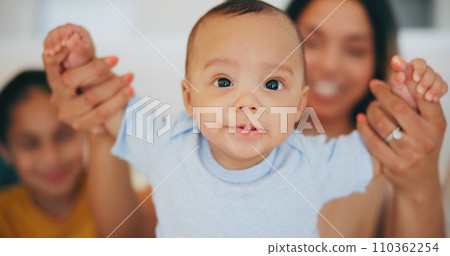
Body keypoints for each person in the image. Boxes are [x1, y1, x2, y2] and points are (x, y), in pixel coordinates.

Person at [41, 0, 447, 237]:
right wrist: (78, 61)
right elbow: (104, 103)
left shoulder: (317, 159)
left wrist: (411, 98)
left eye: (272, 85)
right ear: (187, 96)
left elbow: (395, 144)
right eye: (223, 80)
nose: (248, 101)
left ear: (298, 103)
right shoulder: (169, 135)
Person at [286, 0, 448, 237]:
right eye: (310, 42)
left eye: (355, 50)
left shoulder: (395, 166)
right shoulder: (237, 139)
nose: (329, 65)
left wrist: (420, 181)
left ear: (378, 60)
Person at [0, 71, 97, 237]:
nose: (51, 158)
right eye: (30, 144)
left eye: (64, 135)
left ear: (84, 131)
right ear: (5, 151)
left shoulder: (118, 198)